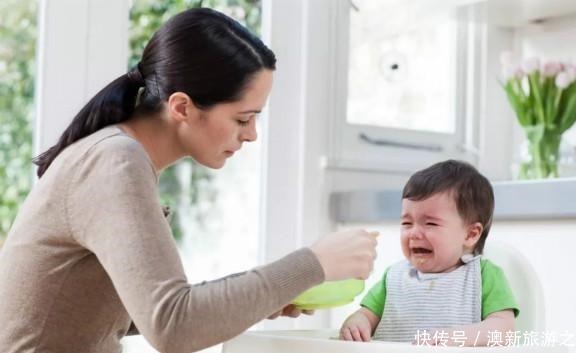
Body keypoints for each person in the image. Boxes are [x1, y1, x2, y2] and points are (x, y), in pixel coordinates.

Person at [0, 8, 378, 353]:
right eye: (243, 119)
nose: (252, 135)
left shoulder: (116, 154)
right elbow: (173, 327)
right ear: (182, 107)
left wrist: (257, 298)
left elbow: (130, 314)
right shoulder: (116, 161)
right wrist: (312, 263)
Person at [339, 160, 519, 346]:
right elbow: (366, 316)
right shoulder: (393, 279)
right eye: (407, 223)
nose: (414, 233)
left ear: (470, 234)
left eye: (431, 223)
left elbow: (504, 331)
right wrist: (357, 322)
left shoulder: (483, 276)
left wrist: (453, 338)